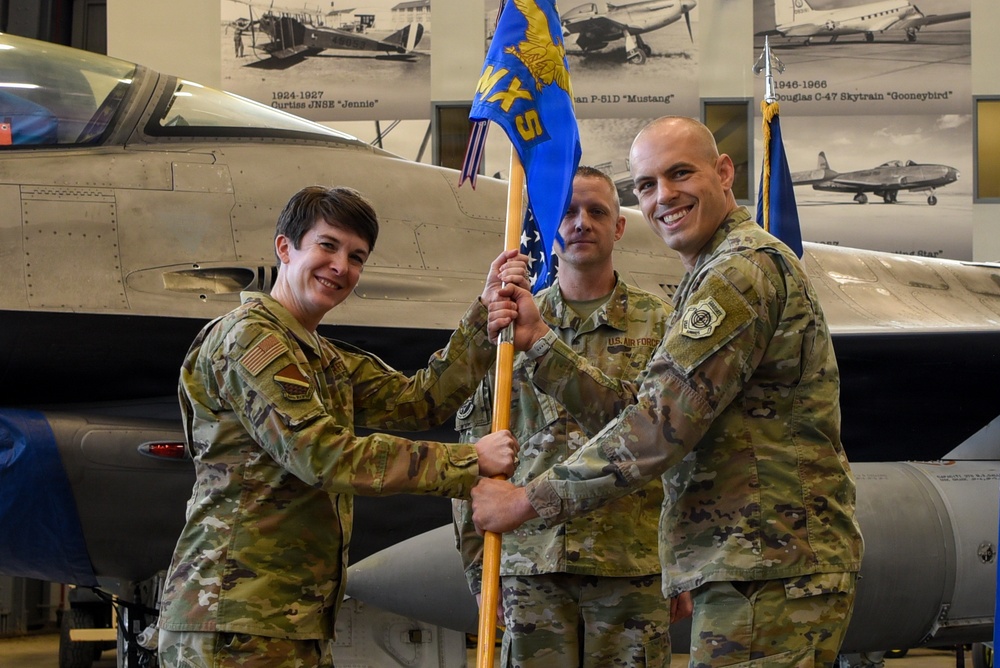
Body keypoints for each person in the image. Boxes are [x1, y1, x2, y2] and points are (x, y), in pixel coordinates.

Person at [471, 117, 865, 667]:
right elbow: (646, 410)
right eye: (647, 185)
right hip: (751, 560)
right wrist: (540, 344)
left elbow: (657, 428)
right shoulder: (714, 272)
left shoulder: (737, 273)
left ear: (723, 173)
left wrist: (524, 501)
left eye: (680, 174)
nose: (663, 197)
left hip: (765, 561)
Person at [157, 185, 526, 668]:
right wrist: (469, 461)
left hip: (286, 616)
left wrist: (484, 317)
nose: (340, 267)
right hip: (234, 615)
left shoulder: (320, 356)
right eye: (327, 246)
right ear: (285, 247)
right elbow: (321, 454)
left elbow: (419, 402)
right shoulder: (250, 339)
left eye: (356, 257)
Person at [453, 166, 687, 667]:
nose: (581, 222)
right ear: (547, 225)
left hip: (630, 566)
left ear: (619, 227)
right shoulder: (504, 330)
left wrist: (682, 560)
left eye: (597, 211)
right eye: (568, 211)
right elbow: (472, 457)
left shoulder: (663, 323)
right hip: (530, 566)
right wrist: (479, 572)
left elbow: (676, 448)